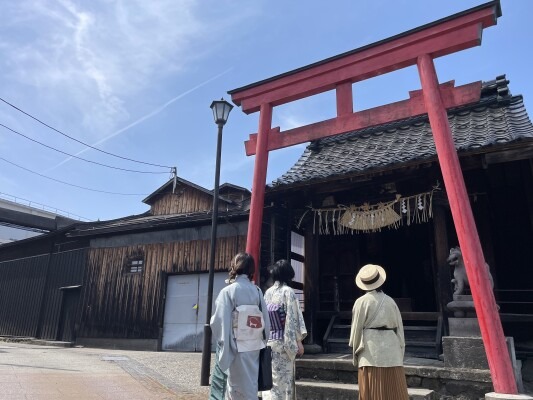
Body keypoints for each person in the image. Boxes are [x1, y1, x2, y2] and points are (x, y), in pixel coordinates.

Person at [210, 252, 270, 400]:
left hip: (236, 347)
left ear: (234, 266)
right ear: (251, 269)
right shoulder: (257, 291)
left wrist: (226, 346)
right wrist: (262, 341)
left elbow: (219, 322)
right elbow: (265, 322)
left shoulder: (228, 291)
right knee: (250, 385)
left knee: (235, 387)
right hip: (254, 346)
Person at [349, 264, 409, 400]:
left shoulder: (361, 302)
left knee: (372, 389)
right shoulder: (391, 301)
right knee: (394, 390)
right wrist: (400, 349)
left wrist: (356, 352)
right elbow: (399, 329)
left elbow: (356, 329)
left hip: (370, 350)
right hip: (392, 349)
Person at [262, 259, 307, 400]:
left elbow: (264, 318)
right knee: (285, 380)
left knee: (272, 380)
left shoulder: (268, 293)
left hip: (270, 342)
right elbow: (292, 319)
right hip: (283, 342)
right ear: (288, 274)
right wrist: (298, 341)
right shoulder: (288, 292)